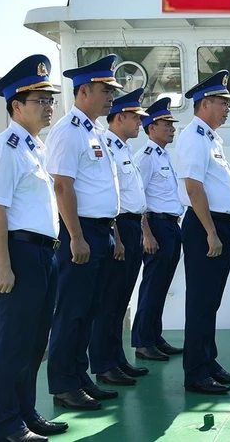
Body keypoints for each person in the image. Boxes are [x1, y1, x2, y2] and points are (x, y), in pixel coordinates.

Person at [0, 55, 66, 442]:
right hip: (16, 253)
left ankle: (27, 414)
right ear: (16, 106)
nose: (49, 107)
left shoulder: (37, 149)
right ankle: (6, 425)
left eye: (51, 100)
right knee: (9, 346)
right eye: (41, 101)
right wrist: (3, 264)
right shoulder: (6, 147)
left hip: (43, 255)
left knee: (34, 343)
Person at [45, 54, 124, 411]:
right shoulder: (68, 130)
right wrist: (75, 236)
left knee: (90, 309)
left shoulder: (95, 131)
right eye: (105, 90)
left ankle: (80, 378)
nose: (110, 96)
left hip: (101, 230)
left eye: (111, 90)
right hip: (82, 232)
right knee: (73, 311)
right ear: (84, 91)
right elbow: (63, 186)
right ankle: (63, 384)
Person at [175, 70, 230, 394]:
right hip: (206, 228)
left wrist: (227, 229)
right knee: (201, 302)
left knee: (211, 302)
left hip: (219, 227)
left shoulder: (211, 138)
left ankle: (208, 362)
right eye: (222, 102)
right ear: (204, 104)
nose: (227, 108)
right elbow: (194, 188)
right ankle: (196, 373)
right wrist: (211, 233)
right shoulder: (193, 137)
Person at [88, 88, 151, 387]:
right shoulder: (110, 148)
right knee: (109, 302)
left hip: (132, 226)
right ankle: (103, 364)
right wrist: (118, 237)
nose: (140, 123)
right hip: (119, 227)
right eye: (135, 118)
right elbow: (111, 196)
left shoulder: (124, 149)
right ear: (119, 117)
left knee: (122, 299)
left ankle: (117, 359)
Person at [133, 96, 186, 361]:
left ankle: (154, 336)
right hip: (156, 226)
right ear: (151, 127)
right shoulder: (145, 157)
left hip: (170, 226)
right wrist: (146, 233)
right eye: (166, 123)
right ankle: (143, 342)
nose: (172, 128)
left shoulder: (163, 155)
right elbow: (137, 198)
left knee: (162, 285)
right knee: (152, 284)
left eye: (171, 124)